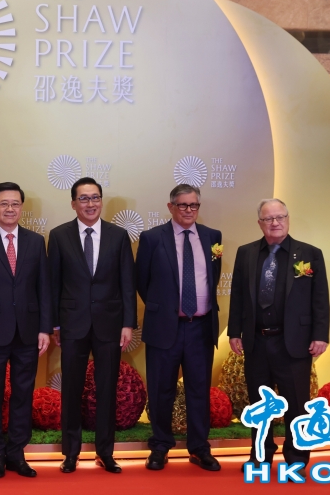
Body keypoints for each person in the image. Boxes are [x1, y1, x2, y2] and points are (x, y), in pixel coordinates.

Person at [228, 198, 329, 471]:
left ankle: (296, 459)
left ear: (287, 218)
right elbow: (237, 294)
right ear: (260, 223)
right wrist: (234, 331)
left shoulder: (310, 253)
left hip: (294, 343)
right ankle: (260, 456)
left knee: (297, 404)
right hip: (256, 341)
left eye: (280, 217)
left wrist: (320, 334)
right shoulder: (246, 253)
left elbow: (320, 298)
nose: (275, 223)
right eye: (268, 219)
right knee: (260, 406)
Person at [49, 177, 136, 474]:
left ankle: (105, 452)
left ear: (101, 200)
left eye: (95, 197)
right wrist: (55, 324)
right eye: (84, 198)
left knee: (107, 390)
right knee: (71, 390)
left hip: (110, 325)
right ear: (73, 203)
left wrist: (128, 323)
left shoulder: (118, 235)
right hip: (72, 325)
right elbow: (53, 284)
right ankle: (71, 453)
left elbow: (127, 283)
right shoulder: (59, 236)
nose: (90, 203)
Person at [0, 182, 52, 478]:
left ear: (22, 207)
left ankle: (16, 452)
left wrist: (45, 328)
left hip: (28, 332)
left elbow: (44, 288)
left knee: (23, 394)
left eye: (15, 203)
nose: (10, 209)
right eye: (4, 203)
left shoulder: (35, 241)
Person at [136, 184, 223, 472]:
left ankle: (199, 448)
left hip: (201, 327)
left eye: (193, 205)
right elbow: (142, 281)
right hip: (165, 327)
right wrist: (166, 308)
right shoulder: (152, 238)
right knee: (161, 390)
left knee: (199, 390)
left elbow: (213, 277)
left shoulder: (213, 237)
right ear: (171, 206)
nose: (189, 210)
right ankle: (160, 446)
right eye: (183, 205)